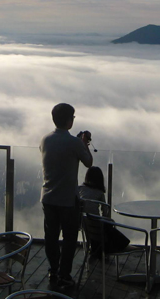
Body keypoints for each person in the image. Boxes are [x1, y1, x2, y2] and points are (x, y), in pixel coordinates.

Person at [40, 103, 93, 289]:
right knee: (69, 238)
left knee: (51, 237)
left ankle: (53, 270)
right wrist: (83, 144)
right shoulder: (75, 143)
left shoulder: (45, 140)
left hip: (48, 197)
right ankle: (64, 274)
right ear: (70, 120)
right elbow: (88, 162)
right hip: (68, 199)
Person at [78, 166, 129, 260]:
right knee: (110, 227)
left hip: (84, 224)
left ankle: (95, 251)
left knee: (101, 230)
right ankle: (119, 248)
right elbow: (105, 212)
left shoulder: (79, 189)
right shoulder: (99, 193)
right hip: (97, 226)